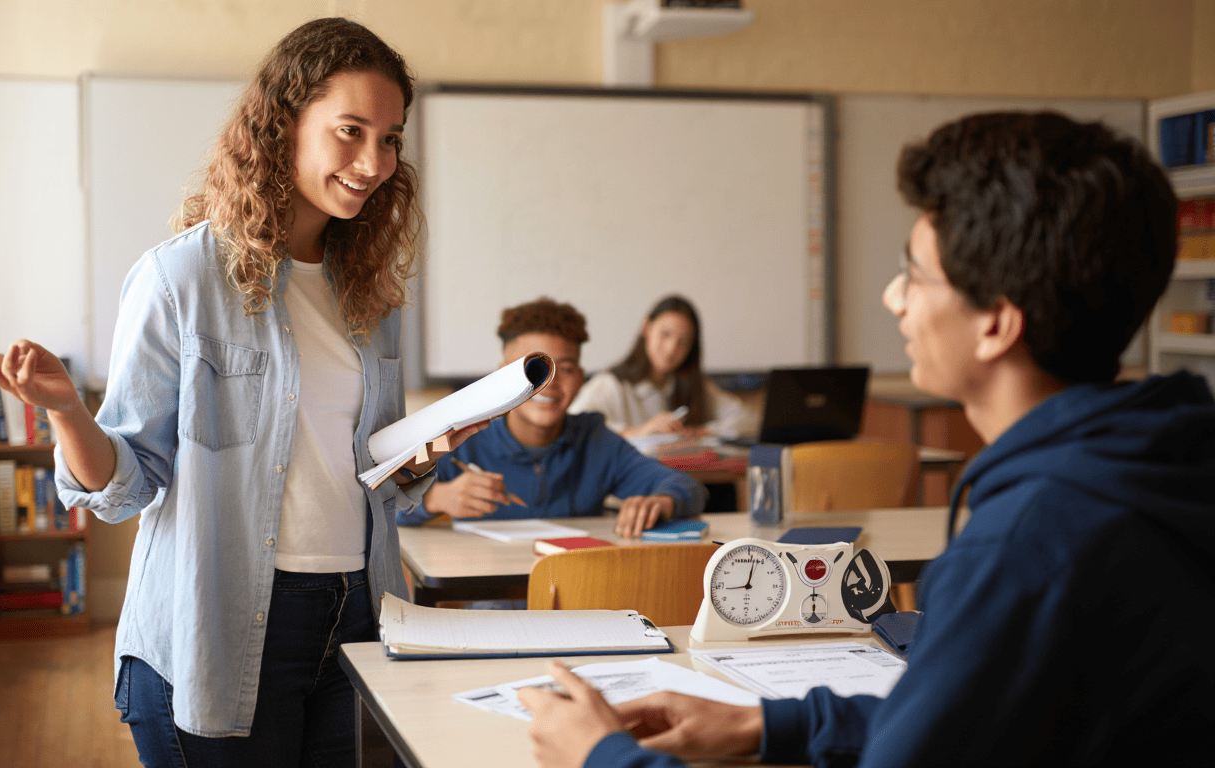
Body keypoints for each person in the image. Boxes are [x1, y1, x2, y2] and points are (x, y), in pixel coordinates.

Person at [519, 111, 1215, 767]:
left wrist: (602, 756)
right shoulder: (1162, 467)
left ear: (997, 323)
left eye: (913, 272)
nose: (894, 297)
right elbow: (961, 720)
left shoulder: (1026, 550)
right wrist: (767, 724)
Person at [0, 18, 484, 768]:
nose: (374, 161)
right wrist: (68, 411)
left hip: (360, 615)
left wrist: (418, 457)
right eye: (351, 130)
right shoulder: (181, 279)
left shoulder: (371, 296)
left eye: (391, 138)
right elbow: (127, 486)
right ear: (284, 126)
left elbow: (362, 475)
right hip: (223, 630)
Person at [398, 297, 706, 538]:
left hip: (577, 601)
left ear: (582, 378)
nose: (549, 384)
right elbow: (383, 503)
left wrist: (661, 502)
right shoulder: (460, 438)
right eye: (533, 370)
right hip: (492, 607)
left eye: (566, 369)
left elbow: (688, 487)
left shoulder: (595, 440)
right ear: (501, 374)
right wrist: (435, 499)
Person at [569, 295, 752, 441]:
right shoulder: (611, 385)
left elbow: (747, 419)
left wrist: (702, 432)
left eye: (684, 342)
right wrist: (638, 432)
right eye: (665, 334)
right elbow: (574, 424)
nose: (672, 348)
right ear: (647, 329)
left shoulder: (695, 385)